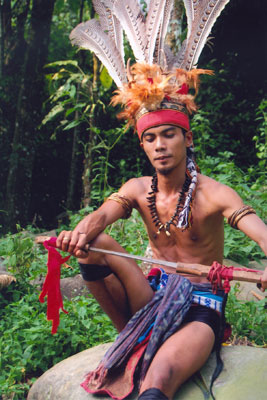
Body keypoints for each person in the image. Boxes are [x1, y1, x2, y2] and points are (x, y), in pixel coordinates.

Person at [56, 64, 267, 400]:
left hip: (201, 304)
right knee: (95, 244)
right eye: (150, 138)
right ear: (143, 145)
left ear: (187, 137)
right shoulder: (138, 189)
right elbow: (100, 217)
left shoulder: (216, 194)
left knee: (161, 376)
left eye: (169, 134)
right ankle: (134, 332)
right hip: (151, 295)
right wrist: (77, 235)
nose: (160, 146)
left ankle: (151, 347)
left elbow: (262, 235)